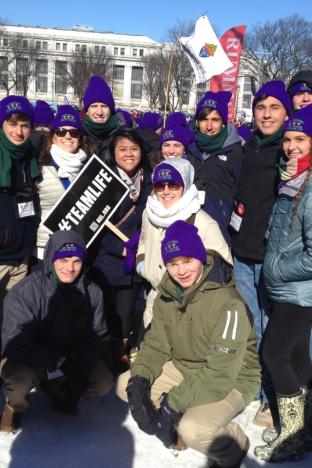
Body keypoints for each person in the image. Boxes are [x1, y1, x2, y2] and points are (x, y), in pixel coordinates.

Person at [116, 220, 260, 467]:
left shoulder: (228, 303)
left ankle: (233, 447)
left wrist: (172, 403)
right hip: (185, 368)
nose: (181, 271)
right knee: (125, 385)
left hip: (233, 378)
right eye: (173, 263)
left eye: (188, 261)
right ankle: (179, 415)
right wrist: (139, 381)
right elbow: (156, 345)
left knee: (193, 428)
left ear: (201, 259)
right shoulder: (168, 295)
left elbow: (220, 374)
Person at [0, 230, 113, 432]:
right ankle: (13, 407)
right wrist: (57, 363)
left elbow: (98, 336)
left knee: (103, 381)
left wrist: (78, 365)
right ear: (51, 259)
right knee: (17, 386)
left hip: (72, 356)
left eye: (77, 261)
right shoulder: (27, 291)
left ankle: (63, 390)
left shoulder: (93, 292)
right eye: (63, 259)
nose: (70, 268)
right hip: (30, 358)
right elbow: (14, 341)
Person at [230, 80, 291, 427]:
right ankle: (252, 385)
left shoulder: (288, 151)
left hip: (271, 257)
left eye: (274, 108)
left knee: (272, 330)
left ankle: (272, 398)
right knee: (249, 325)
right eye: (261, 107)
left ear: (286, 113)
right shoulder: (249, 146)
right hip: (243, 251)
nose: (266, 115)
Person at [254, 104, 312, 462]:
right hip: (289, 289)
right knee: (296, 357)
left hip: (300, 291)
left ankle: (292, 433)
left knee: (274, 352)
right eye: (288, 139)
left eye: (301, 139)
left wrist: (276, 267)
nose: (292, 146)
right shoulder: (292, 179)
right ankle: (306, 428)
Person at [136, 158, 233, 331]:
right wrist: (142, 265)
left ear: (185, 186)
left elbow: (223, 267)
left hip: (188, 307)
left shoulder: (202, 222)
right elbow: (143, 242)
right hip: (155, 302)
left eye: (173, 185)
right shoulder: (149, 213)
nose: (166, 191)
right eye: (160, 185)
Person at [90, 128, 151, 372]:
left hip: (134, 262)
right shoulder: (101, 181)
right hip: (106, 260)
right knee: (104, 311)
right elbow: (92, 226)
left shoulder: (150, 180)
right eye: (122, 149)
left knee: (126, 313)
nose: (128, 154)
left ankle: (120, 350)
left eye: (134, 149)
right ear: (113, 152)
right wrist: (120, 248)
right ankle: (101, 353)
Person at [0, 95, 40, 328]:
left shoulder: (28, 158)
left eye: (25, 125)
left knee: (11, 324)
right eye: (12, 124)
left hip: (21, 259)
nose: (19, 131)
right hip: (1, 258)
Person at [32, 104, 87, 269]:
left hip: (75, 254)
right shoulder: (40, 165)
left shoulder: (88, 168)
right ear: (54, 136)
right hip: (44, 253)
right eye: (62, 132)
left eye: (74, 132)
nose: (68, 136)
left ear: (80, 137)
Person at [187, 91, 243, 244]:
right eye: (204, 119)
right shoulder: (190, 148)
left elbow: (242, 195)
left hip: (220, 233)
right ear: (197, 122)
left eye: (215, 120)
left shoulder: (235, 151)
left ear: (223, 122)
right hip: (190, 228)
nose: (209, 126)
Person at [82, 75, 124, 160]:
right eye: (94, 106)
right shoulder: (78, 136)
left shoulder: (124, 136)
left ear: (111, 110)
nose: (99, 112)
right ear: (87, 110)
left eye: (104, 106)